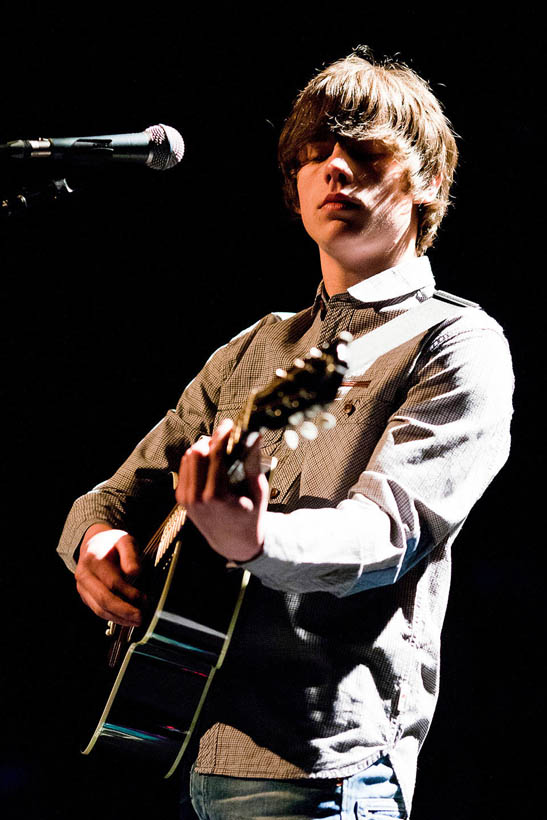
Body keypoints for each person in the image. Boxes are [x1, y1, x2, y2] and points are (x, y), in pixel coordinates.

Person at [57, 47, 514, 819]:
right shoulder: (254, 348)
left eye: (363, 149)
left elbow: (385, 533)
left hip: (317, 768)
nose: (334, 168)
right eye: (313, 153)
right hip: (180, 737)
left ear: (429, 181)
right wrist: (92, 543)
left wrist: (252, 538)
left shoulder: (454, 344)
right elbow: (115, 494)